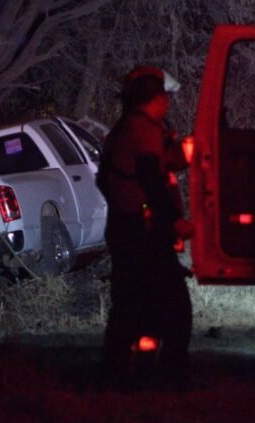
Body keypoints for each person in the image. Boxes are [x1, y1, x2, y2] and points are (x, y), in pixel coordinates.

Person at [97, 65, 194, 385]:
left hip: (131, 228)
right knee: (173, 306)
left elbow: (164, 164)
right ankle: (171, 374)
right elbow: (153, 181)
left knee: (135, 304)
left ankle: (127, 373)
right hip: (143, 232)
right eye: (164, 96)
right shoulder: (141, 131)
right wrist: (174, 223)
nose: (168, 102)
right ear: (153, 97)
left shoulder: (131, 130)